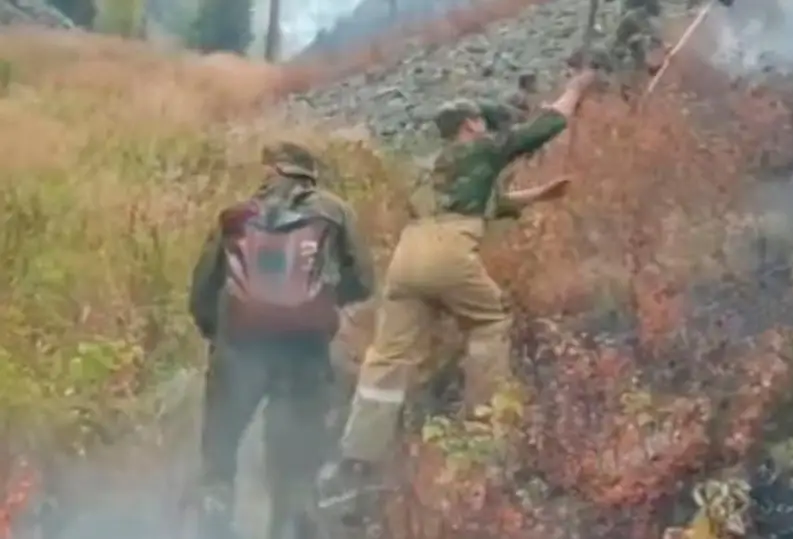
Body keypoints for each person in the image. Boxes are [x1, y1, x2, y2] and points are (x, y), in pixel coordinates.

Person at [315, 67, 599, 524]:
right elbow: (544, 127)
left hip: (408, 258)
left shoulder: (432, 170)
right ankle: (483, 427)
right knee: (490, 321)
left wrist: (540, 195)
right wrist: (575, 89)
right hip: (449, 251)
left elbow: (489, 202)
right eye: (480, 122)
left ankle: (357, 456)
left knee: (388, 355)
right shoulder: (482, 147)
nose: (486, 127)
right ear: (470, 124)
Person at [188, 141, 375, 539]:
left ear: (272, 171)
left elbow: (203, 287)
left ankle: (215, 508)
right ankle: (290, 522)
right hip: (305, 351)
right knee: (294, 461)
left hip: (238, 350)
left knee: (220, 451)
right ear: (310, 175)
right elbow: (363, 281)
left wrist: (217, 336)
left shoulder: (236, 215)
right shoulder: (335, 212)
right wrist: (317, 305)